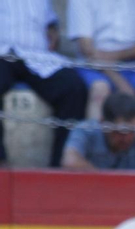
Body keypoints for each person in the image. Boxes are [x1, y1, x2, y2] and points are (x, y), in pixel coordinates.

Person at [0, 1, 90, 168]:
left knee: (73, 88)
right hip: (3, 52)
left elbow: (50, 22)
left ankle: (60, 166)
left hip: (36, 55)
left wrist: (52, 30)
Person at [67, 0, 135, 127]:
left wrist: (114, 57)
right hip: (95, 65)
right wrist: (119, 81)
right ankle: (96, 144)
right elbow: (86, 49)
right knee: (99, 90)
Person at [61, 91, 135, 171]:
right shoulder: (86, 130)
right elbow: (70, 162)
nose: (127, 138)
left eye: (131, 131)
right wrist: (108, 182)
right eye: (120, 132)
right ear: (103, 122)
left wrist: (133, 179)